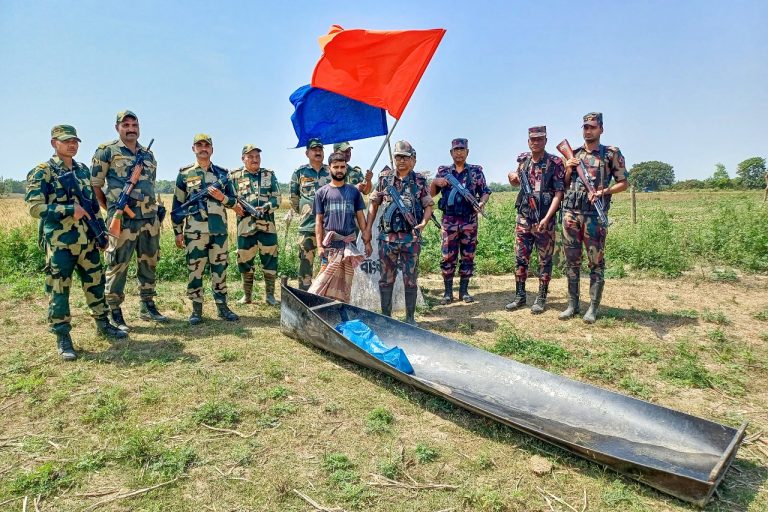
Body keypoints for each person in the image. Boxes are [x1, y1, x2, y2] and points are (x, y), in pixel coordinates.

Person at [26, 125, 127, 360]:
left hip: (88, 241)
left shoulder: (82, 170)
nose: (72, 145)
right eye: (66, 141)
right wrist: (69, 209)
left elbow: (92, 206)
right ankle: (63, 336)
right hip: (61, 243)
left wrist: (101, 234)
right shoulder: (43, 171)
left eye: (75, 141)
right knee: (59, 289)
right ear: (54, 143)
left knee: (95, 283)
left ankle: (103, 324)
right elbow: (35, 207)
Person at [91, 110, 166, 331]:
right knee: (118, 265)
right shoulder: (106, 151)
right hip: (122, 219)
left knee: (149, 262)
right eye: (126, 125)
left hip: (149, 219)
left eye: (135, 124)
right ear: (117, 127)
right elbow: (95, 185)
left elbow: (150, 184)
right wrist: (114, 209)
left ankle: (147, 304)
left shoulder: (148, 155)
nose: (131, 128)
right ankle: (114, 310)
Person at [560, 113, 628, 323]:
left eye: (592, 127)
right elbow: (563, 184)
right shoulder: (575, 154)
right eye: (585, 127)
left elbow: (623, 183)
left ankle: (593, 307)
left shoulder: (610, 154)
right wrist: (569, 168)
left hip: (593, 217)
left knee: (595, 262)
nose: (588, 131)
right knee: (571, 262)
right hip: (571, 214)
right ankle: (572, 305)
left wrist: (604, 192)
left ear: (601, 129)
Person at [171, 134, 241, 325]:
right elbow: (177, 206)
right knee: (195, 270)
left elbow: (235, 203)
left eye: (207, 145)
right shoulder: (184, 174)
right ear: (193, 148)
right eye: (199, 145)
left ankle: (222, 306)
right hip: (194, 232)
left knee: (220, 270)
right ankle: (196, 310)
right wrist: (178, 232)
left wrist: (221, 197)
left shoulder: (222, 174)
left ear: (212, 149)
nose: (203, 148)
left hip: (218, 231)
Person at [365, 140, 434, 325]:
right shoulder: (384, 179)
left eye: (405, 157)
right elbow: (373, 205)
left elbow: (429, 205)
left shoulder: (419, 181)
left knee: (410, 280)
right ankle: (386, 318)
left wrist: (424, 223)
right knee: (386, 280)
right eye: (398, 157)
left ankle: (410, 319)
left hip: (411, 239)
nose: (401, 160)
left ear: (412, 159)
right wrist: (367, 231)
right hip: (387, 240)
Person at [505, 126, 565, 313]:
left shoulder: (555, 162)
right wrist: (511, 177)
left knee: (544, 261)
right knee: (520, 259)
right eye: (532, 139)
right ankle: (520, 296)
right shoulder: (524, 161)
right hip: (524, 218)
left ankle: (541, 297)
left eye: (539, 139)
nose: (535, 142)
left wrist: (547, 218)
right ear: (528, 141)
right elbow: (516, 182)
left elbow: (559, 193)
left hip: (544, 220)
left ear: (545, 140)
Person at [429, 138, 491, 304]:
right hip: (449, 221)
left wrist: (481, 202)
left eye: (462, 149)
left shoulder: (476, 172)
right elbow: (431, 194)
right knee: (448, 257)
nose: (459, 152)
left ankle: (464, 291)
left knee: (468, 256)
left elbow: (485, 191)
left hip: (469, 220)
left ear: (467, 152)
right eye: (456, 150)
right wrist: (435, 182)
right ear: (451, 153)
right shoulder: (443, 171)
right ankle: (447, 292)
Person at [310, 152, 371, 302]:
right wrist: (319, 246)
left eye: (342, 167)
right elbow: (319, 221)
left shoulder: (354, 192)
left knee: (345, 285)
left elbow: (360, 217)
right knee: (323, 284)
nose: (339, 170)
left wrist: (367, 240)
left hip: (349, 246)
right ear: (329, 168)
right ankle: (322, 312)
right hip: (329, 246)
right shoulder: (321, 193)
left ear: (346, 169)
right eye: (335, 167)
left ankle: (341, 313)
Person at [229, 144, 281, 306]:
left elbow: (277, 198)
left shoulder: (268, 175)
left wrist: (265, 207)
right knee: (244, 259)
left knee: (270, 259)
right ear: (243, 158)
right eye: (250, 156)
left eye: (257, 156)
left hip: (267, 226)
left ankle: (270, 296)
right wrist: (234, 206)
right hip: (245, 227)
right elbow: (229, 198)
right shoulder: (234, 176)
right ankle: (247, 296)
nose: (254, 159)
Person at [289, 138, 330, 290]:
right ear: (307, 153)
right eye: (314, 149)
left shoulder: (330, 171)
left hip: (329, 227)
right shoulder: (300, 173)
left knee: (329, 264)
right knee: (306, 263)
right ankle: (304, 295)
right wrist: (306, 211)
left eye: (320, 149)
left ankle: (324, 295)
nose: (318, 151)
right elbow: (294, 199)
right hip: (307, 226)